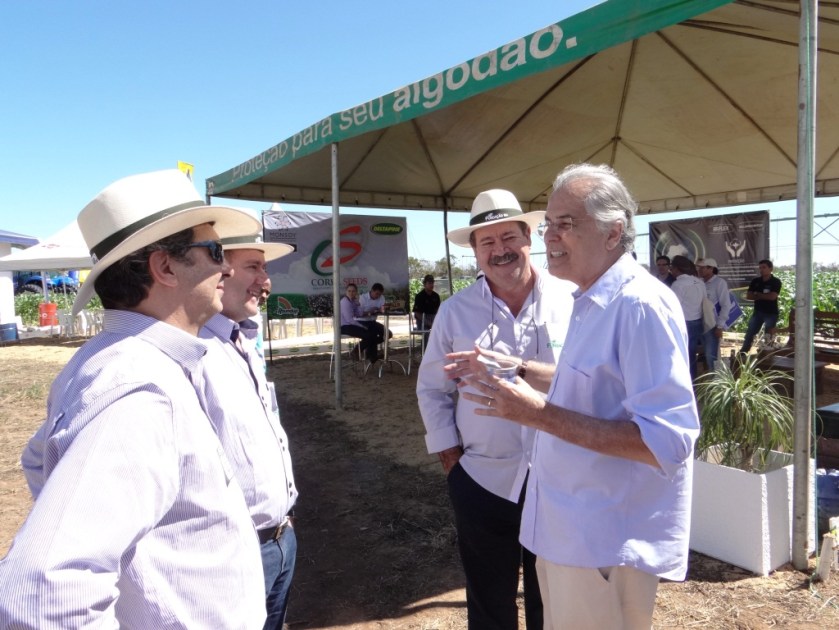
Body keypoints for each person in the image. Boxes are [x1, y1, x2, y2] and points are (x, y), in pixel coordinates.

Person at [0, 170, 267, 628]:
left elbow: (35, 459)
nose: (226, 268)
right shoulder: (138, 387)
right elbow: (41, 594)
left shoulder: (116, 362)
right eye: (215, 252)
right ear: (164, 268)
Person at [459, 164, 698, 629]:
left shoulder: (638, 305)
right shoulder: (592, 300)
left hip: (603, 545)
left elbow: (667, 441)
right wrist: (521, 368)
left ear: (613, 233)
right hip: (571, 536)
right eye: (548, 223)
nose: (549, 235)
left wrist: (536, 414)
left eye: (565, 224)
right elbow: (591, 387)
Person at [417, 188, 574, 630]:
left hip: (561, 479)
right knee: (489, 602)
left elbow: (590, 382)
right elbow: (431, 388)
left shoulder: (572, 301)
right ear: (474, 251)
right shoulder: (455, 312)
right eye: (486, 242)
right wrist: (451, 459)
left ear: (530, 237)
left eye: (508, 237)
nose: (499, 250)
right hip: (483, 479)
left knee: (555, 598)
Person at [198, 234, 298, 630]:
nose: (266, 281)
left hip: (279, 538)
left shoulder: (242, 338)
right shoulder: (190, 347)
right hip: (232, 552)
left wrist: (283, 518)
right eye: (254, 267)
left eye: (265, 268)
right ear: (219, 271)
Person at [669, 255, 706, 379]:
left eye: (671, 268)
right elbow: (704, 301)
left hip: (684, 323)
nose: (671, 271)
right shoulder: (700, 282)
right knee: (691, 353)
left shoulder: (678, 284)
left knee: (683, 354)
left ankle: (687, 381)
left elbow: (672, 306)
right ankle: (693, 380)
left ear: (677, 269)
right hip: (698, 321)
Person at [740, 259, 782, 354]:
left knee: (768, 336)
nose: (761, 270)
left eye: (764, 267)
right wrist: (763, 295)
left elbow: (772, 297)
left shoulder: (776, 282)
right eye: (760, 268)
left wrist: (757, 294)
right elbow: (748, 296)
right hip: (758, 312)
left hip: (771, 313)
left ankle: (766, 355)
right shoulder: (755, 281)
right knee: (750, 333)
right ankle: (743, 352)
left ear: (770, 269)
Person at [696, 257, 732, 371]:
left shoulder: (719, 283)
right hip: (700, 323)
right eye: (699, 268)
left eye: (703, 268)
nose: (700, 270)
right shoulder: (699, 282)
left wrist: (720, 325)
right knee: (704, 354)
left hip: (713, 325)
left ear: (711, 269)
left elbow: (726, 305)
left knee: (711, 355)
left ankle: (715, 382)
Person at [340, 283, 380, 363]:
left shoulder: (352, 301)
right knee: (369, 334)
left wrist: (358, 303)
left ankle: (371, 355)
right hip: (344, 327)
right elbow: (349, 320)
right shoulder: (345, 302)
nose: (351, 293)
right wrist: (362, 326)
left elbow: (359, 314)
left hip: (350, 325)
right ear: (346, 292)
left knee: (372, 332)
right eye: (349, 291)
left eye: (353, 291)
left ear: (356, 292)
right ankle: (356, 351)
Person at [358, 282, 391, 358]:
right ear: (371, 291)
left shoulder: (381, 297)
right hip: (361, 321)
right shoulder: (363, 298)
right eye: (376, 294)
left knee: (388, 334)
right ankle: (371, 355)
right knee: (372, 333)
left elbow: (382, 309)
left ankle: (366, 349)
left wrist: (384, 308)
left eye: (379, 294)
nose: (378, 296)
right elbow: (359, 313)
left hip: (372, 321)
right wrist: (371, 312)